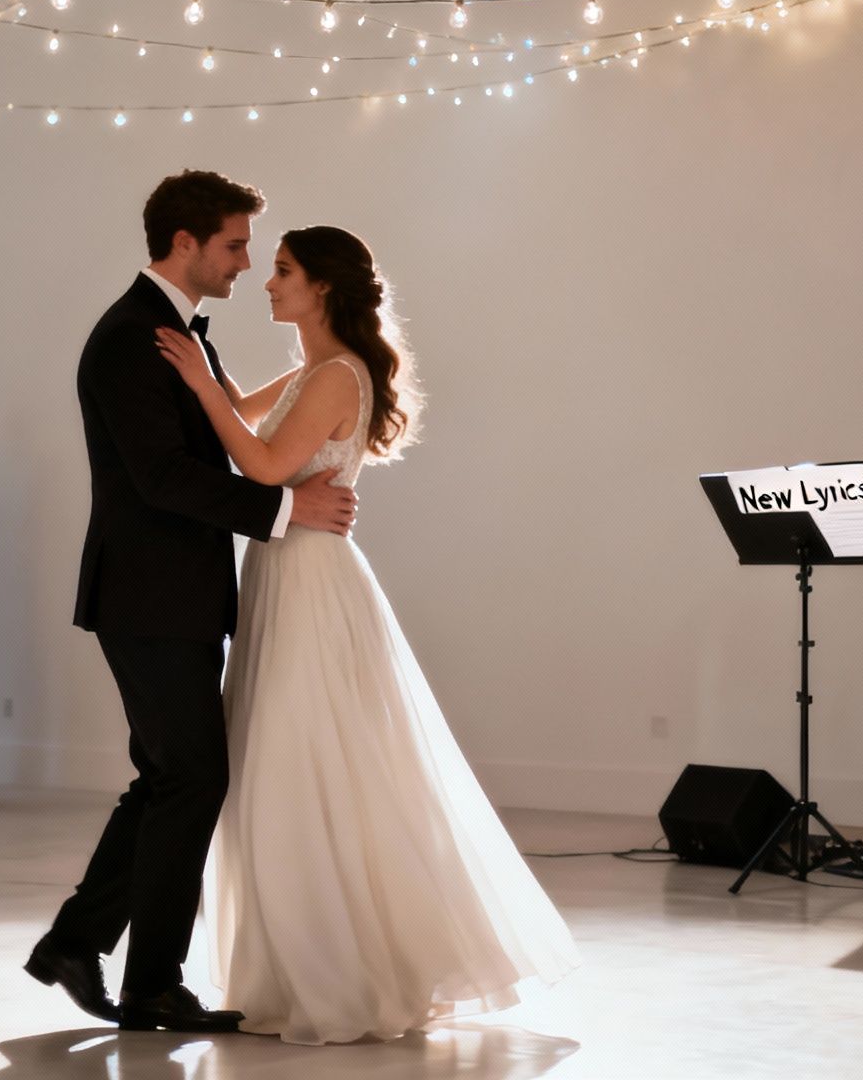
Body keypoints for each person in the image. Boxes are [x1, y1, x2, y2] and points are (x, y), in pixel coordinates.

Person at [154, 226, 579, 1044]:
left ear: (322, 286)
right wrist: (203, 366)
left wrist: (202, 385)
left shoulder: (338, 374)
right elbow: (242, 418)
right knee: (282, 761)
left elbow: (263, 467)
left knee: (303, 759)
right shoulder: (313, 372)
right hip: (284, 571)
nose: (267, 282)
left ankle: (342, 969)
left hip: (310, 580)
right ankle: (299, 964)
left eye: (283, 270)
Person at [24, 171, 358, 1034]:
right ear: (186, 243)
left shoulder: (176, 334)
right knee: (191, 776)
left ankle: (80, 946)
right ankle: (147, 981)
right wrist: (285, 510)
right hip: (147, 595)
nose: (245, 263)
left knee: (170, 776)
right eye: (235, 245)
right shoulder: (130, 337)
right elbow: (163, 477)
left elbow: (223, 434)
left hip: (175, 594)